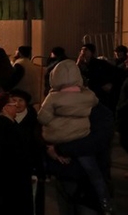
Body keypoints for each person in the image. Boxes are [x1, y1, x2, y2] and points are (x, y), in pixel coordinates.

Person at [38, 59, 112, 214]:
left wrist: (58, 148)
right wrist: (49, 149)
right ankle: (104, 199)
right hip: (65, 174)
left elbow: (95, 142)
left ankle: (104, 200)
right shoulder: (90, 101)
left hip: (84, 184)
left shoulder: (97, 111)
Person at [0, 92, 33, 215]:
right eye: (13, 103)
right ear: (5, 108)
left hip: (4, 181)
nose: (16, 106)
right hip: (10, 184)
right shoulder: (2, 127)